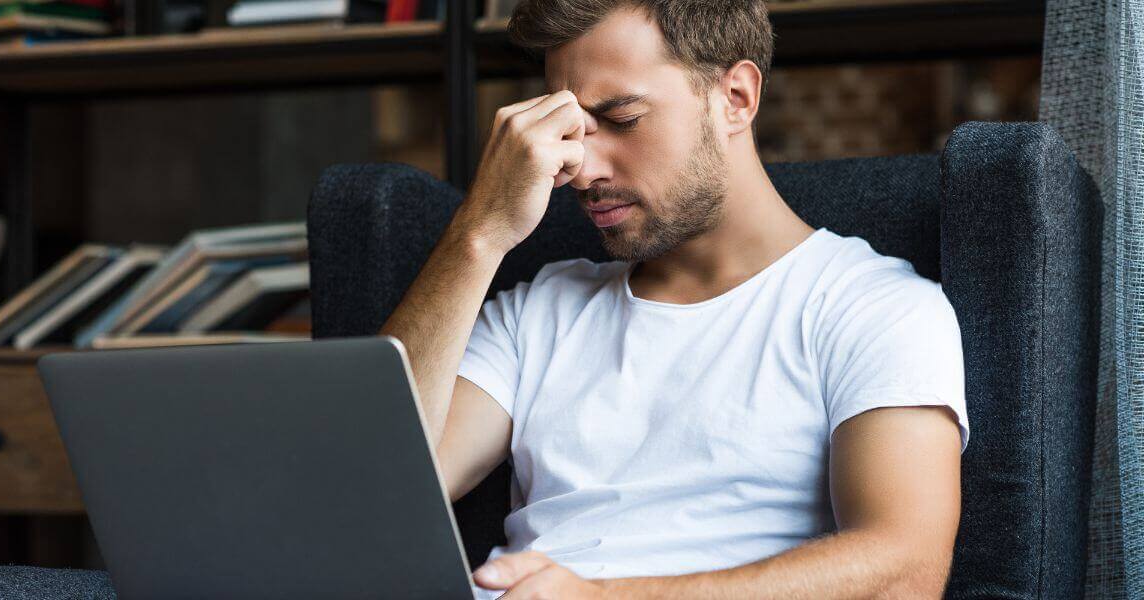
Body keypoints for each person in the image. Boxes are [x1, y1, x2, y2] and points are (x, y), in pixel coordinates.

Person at [378, 0, 970, 597]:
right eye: (572, 130)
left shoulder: (874, 309)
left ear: (735, 98)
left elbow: (905, 570)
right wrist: (480, 231)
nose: (582, 169)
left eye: (623, 118)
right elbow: (374, 490)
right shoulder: (541, 310)